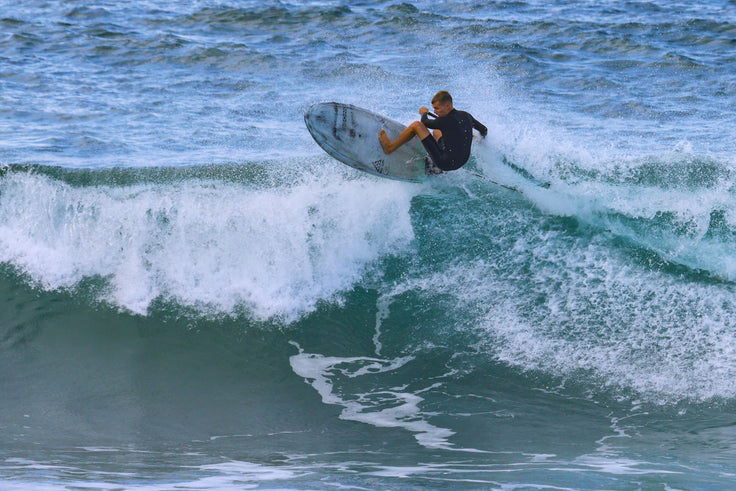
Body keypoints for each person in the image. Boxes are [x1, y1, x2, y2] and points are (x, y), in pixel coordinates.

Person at [379, 91, 488, 173]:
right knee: (437, 131)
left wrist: (424, 113)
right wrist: (476, 139)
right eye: (433, 109)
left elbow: (424, 122)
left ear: (448, 106)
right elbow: (484, 130)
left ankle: (390, 147)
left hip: (445, 163)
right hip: (462, 161)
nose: (435, 111)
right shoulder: (466, 115)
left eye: (437, 108)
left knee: (416, 125)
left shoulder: (445, 121)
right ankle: (433, 164)